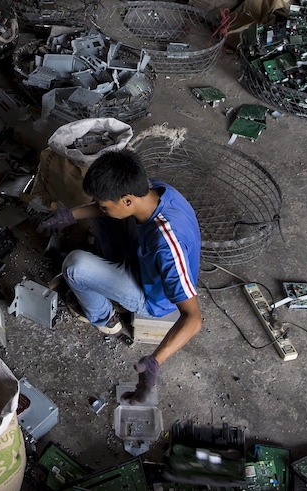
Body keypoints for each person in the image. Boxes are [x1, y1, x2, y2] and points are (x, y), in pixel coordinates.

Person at [38, 149, 202, 405]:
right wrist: (69, 215)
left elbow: (193, 318)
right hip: (144, 260)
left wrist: (154, 362)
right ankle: (107, 270)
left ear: (127, 200)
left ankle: (104, 318)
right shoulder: (156, 190)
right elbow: (104, 209)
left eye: (104, 203)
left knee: (75, 265)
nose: (99, 207)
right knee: (106, 218)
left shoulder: (167, 245)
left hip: (151, 297)